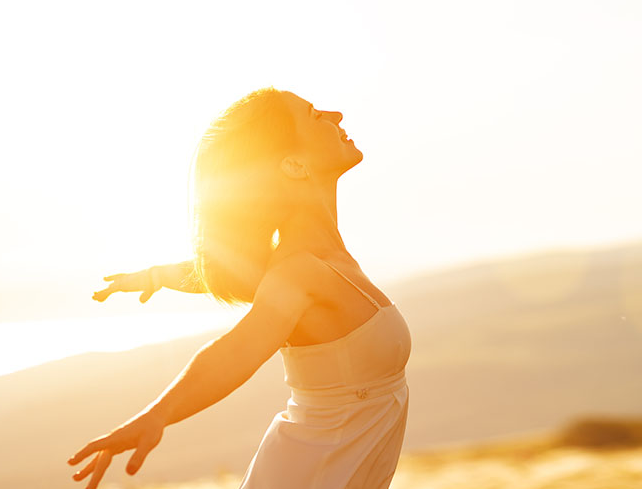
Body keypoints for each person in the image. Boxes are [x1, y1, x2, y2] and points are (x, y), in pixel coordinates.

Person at [67, 88, 412, 489]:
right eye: (316, 115)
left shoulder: (314, 263)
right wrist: (157, 415)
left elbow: (236, 273)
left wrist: (157, 276)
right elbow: (236, 351)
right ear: (295, 164)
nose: (335, 114)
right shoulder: (300, 272)